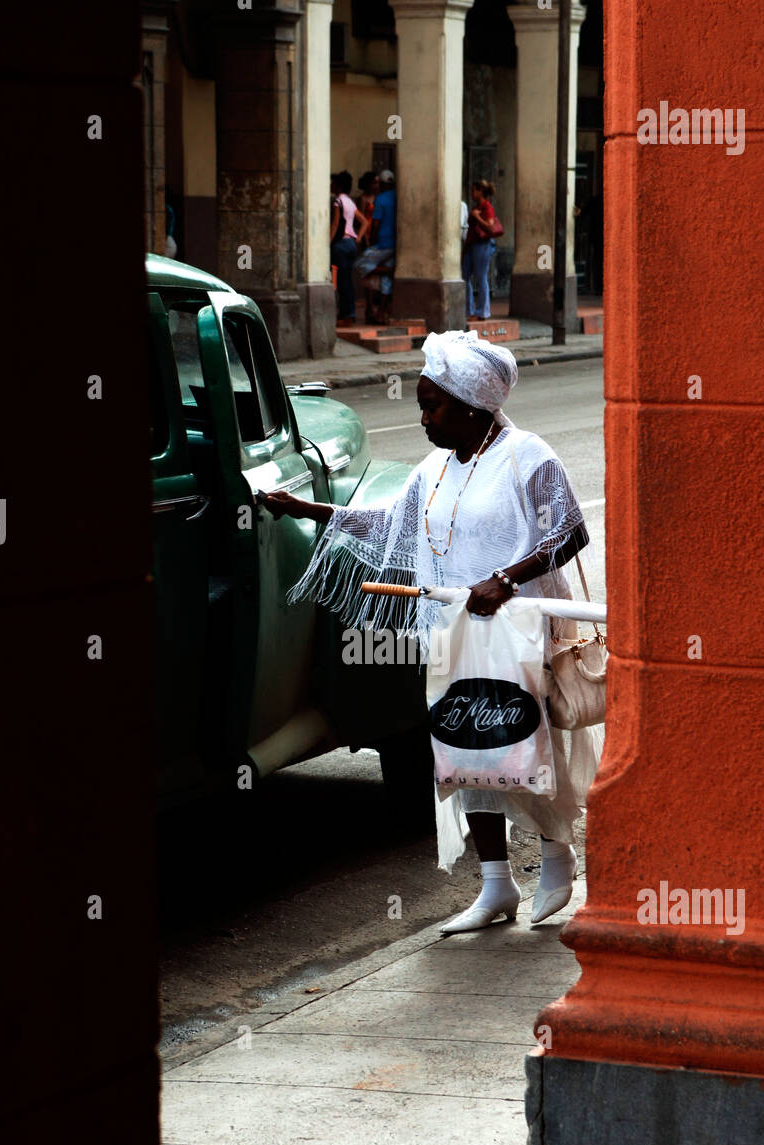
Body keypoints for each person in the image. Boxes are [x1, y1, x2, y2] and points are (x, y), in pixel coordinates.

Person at [262, 330, 601, 935]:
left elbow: (569, 532)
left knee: (528, 747)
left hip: (521, 632)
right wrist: (309, 510)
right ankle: (496, 885)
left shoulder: (529, 456)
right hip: (454, 631)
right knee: (465, 753)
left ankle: (557, 861)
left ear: (471, 406)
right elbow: (390, 523)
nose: (422, 418)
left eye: (431, 406)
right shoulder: (436, 468)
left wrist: (505, 579)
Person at [354, 167, 396, 324]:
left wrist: (370, 240)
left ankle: (391, 271)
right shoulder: (397, 197)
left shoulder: (381, 199)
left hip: (381, 242)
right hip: (394, 243)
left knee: (361, 264)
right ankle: (380, 313)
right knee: (385, 280)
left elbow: (375, 224)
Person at [330, 171, 369, 325]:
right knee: (348, 281)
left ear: (338, 185)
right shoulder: (350, 202)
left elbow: (335, 223)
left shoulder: (338, 201)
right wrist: (358, 238)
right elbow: (364, 222)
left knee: (341, 281)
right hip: (351, 244)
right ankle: (350, 313)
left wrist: (328, 242)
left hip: (340, 245)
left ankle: (346, 315)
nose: (331, 185)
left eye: (333, 183)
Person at [463, 179, 497, 320]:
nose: (471, 193)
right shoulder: (477, 206)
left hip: (482, 245)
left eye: (473, 190)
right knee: (464, 276)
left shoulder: (487, 207)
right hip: (472, 244)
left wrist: (477, 217)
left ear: (480, 191)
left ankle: (482, 311)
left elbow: (490, 226)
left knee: (481, 276)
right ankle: (469, 310)